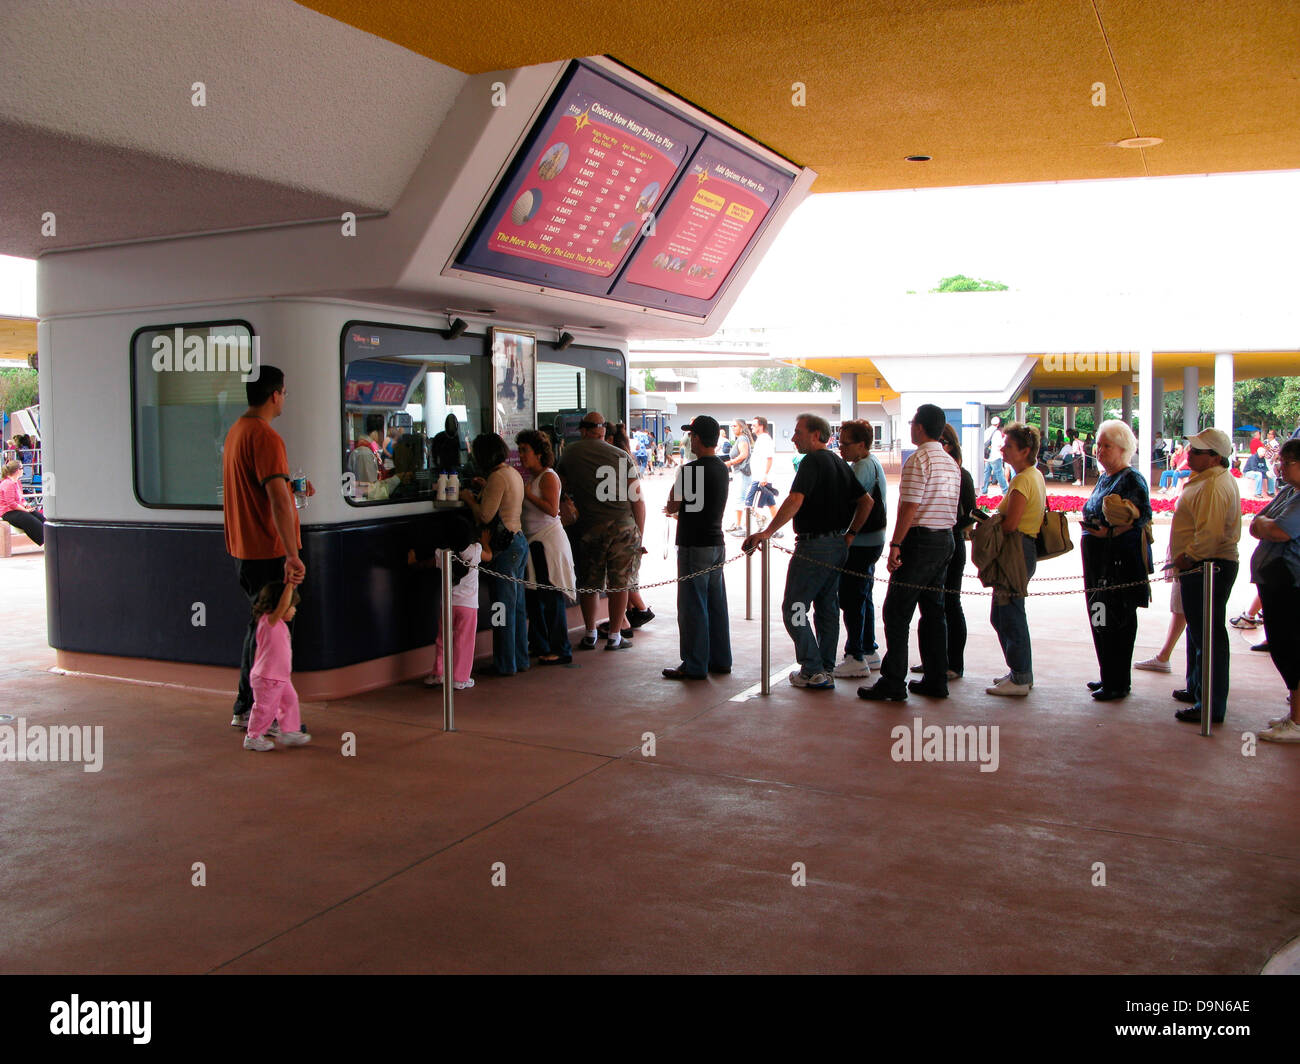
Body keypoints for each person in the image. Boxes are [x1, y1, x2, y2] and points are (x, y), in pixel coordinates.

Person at [743, 413, 871, 689]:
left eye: (799, 432)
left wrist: (767, 531)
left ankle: (812, 669)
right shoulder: (839, 462)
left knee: (794, 608)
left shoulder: (812, 461)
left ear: (816, 435)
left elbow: (795, 499)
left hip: (814, 547)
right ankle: (825, 666)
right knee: (826, 608)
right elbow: (866, 502)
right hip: (836, 545)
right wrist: (848, 535)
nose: (793, 437)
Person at [222, 365, 309, 731]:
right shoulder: (266, 437)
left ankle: (248, 705)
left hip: (244, 549)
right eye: (284, 393)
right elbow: (276, 499)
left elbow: (272, 491)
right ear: (275, 394)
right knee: (273, 633)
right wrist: (292, 553)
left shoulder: (236, 432)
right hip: (269, 549)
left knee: (259, 629)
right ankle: (265, 711)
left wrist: (294, 490)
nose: (284, 398)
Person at [859, 404, 961, 702]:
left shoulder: (918, 460)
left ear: (919, 427)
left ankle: (893, 681)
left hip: (920, 541)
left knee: (897, 611)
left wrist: (896, 544)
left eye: (913, 422)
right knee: (933, 611)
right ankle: (936, 678)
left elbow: (910, 507)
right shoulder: (950, 461)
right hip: (945, 539)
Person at [554, 411, 646, 651]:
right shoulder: (621, 455)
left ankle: (590, 632)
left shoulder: (570, 453)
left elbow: (559, 486)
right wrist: (640, 535)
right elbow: (638, 500)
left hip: (590, 527)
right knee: (620, 583)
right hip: (623, 526)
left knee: (589, 582)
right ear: (603, 432)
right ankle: (615, 635)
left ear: (583, 431)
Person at [1169, 427, 1241, 725]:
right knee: (1199, 632)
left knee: (1208, 637)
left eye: (1197, 451)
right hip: (1202, 564)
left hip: (1207, 564)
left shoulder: (1212, 486)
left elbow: (1208, 535)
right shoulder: (1209, 480)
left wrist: (1187, 558)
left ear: (1214, 458)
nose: (1190, 454)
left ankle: (1209, 703)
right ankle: (1198, 688)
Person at [1079, 419, 1153, 702]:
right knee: (1099, 616)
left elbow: (1142, 516)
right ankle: (1107, 672)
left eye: (1106, 446)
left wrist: (1109, 532)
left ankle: (1118, 681)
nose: (1099, 451)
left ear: (1123, 449)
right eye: (1098, 445)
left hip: (1118, 561)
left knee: (1117, 620)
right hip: (1097, 560)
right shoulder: (1105, 477)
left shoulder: (1131, 479)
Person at [663, 416, 732, 680]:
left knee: (693, 606)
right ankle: (720, 659)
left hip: (694, 545)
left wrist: (680, 476)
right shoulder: (721, 468)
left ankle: (695, 664)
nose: (689, 439)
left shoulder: (691, 470)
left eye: (692, 435)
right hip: (716, 542)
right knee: (716, 603)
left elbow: (673, 504)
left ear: (698, 438)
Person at [982, 423, 1046, 696]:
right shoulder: (1033, 475)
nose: (1002, 449)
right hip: (1023, 549)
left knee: (1009, 614)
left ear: (1025, 450)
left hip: (1016, 549)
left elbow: (1010, 524)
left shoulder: (1021, 481)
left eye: (1008, 446)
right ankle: (1019, 670)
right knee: (1003, 613)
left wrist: (989, 524)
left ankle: (1020, 675)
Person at [910, 424, 976, 682]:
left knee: (950, 604)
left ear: (950, 445)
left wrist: (942, 523)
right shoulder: (931, 470)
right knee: (930, 606)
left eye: (942, 443)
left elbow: (968, 515)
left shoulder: (962, 474)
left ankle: (954, 664)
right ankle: (933, 661)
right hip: (931, 543)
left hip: (951, 543)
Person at [459, 433, 529, 676]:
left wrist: (469, 499)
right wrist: (484, 488)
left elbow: (486, 516)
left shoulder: (498, 477)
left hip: (504, 547)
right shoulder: (511, 473)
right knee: (516, 606)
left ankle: (504, 663)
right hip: (518, 542)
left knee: (501, 606)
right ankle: (519, 658)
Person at [1249, 438, 1300, 742]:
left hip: (1291, 584)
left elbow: (1279, 531)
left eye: (1288, 461)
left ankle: (1297, 720)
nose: (1280, 466)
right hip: (1276, 584)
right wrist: (1266, 525)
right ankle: (1294, 713)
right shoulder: (1287, 493)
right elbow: (1256, 523)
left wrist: (1268, 526)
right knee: (1283, 648)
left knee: (1292, 648)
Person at [517, 429, 577, 665]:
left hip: (547, 542)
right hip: (534, 542)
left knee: (550, 597)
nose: (521, 456)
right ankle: (541, 643)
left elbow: (552, 509)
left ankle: (561, 648)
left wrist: (526, 494)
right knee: (535, 597)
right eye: (520, 450)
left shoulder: (548, 477)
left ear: (539, 453)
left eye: (525, 451)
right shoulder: (532, 478)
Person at [414, 512, 490, 690]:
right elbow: (490, 555)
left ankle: (438, 673)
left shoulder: (443, 553)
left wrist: (413, 561)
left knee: (443, 639)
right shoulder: (476, 550)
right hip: (468, 606)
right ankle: (459, 678)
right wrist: (484, 539)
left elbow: (426, 563)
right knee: (464, 641)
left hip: (448, 604)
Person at [834, 420, 886, 678]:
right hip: (873, 541)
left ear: (862, 444)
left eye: (845, 444)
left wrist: (850, 533)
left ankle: (855, 654)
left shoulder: (862, 467)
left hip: (861, 542)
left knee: (852, 598)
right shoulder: (872, 462)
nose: (840, 448)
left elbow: (850, 502)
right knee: (863, 595)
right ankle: (868, 649)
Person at [241, 582, 311, 752]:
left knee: (290, 700)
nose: (294, 610)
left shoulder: (278, 624)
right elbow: (282, 606)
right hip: (268, 678)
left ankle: (290, 732)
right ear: (280, 605)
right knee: (265, 708)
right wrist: (291, 585)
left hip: (280, 677)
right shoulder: (269, 622)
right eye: (291, 606)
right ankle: (253, 737)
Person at [745, 416, 779, 531]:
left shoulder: (765, 439)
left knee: (749, 505)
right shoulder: (762, 439)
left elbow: (769, 458)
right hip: (761, 478)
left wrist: (765, 475)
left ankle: (762, 521)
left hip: (761, 480)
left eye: (754, 425)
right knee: (771, 504)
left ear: (761, 426)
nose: (751, 427)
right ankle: (777, 529)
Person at [1, 459, 45, 545]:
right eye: (22, 468)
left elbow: (21, 499)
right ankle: (45, 540)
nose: (23, 470)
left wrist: (26, 505)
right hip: (8, 512)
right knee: (29, 519)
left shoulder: (17, 482)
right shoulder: (7, 483)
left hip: (17, 509)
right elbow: (11, 503)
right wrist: (25, 510)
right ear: (17, 470)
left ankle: (51, 536)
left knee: (39, 516)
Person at [723, 419, 754, 533]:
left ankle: (744, 526)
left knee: (741, 499)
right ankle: (739, 524)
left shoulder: (741, 438)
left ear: (741, 427)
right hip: (740, 472)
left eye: (735, 426)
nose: (732, 427)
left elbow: (743, 455)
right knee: (740, 498)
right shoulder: (741, 438)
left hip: (742, 472)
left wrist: (729, 463)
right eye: (731, 426)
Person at [982, 416, 1008, 495]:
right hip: (995, 456)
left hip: (987, 456)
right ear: (998, 423)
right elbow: (1000, 445)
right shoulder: (997, 432)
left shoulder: (986, 431)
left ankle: (984, 489)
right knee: (999, 473)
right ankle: (1005, 490)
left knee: (986, 473)